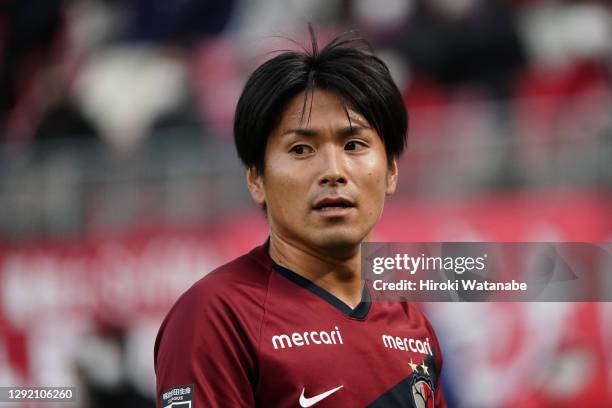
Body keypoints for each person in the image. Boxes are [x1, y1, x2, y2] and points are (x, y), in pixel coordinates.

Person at [154, 27, 446, 408]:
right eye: (302, 148)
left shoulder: (414, 327)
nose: (332, 170)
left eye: (354, 144)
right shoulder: (217, 315)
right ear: (256, 178)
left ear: (391, 171)